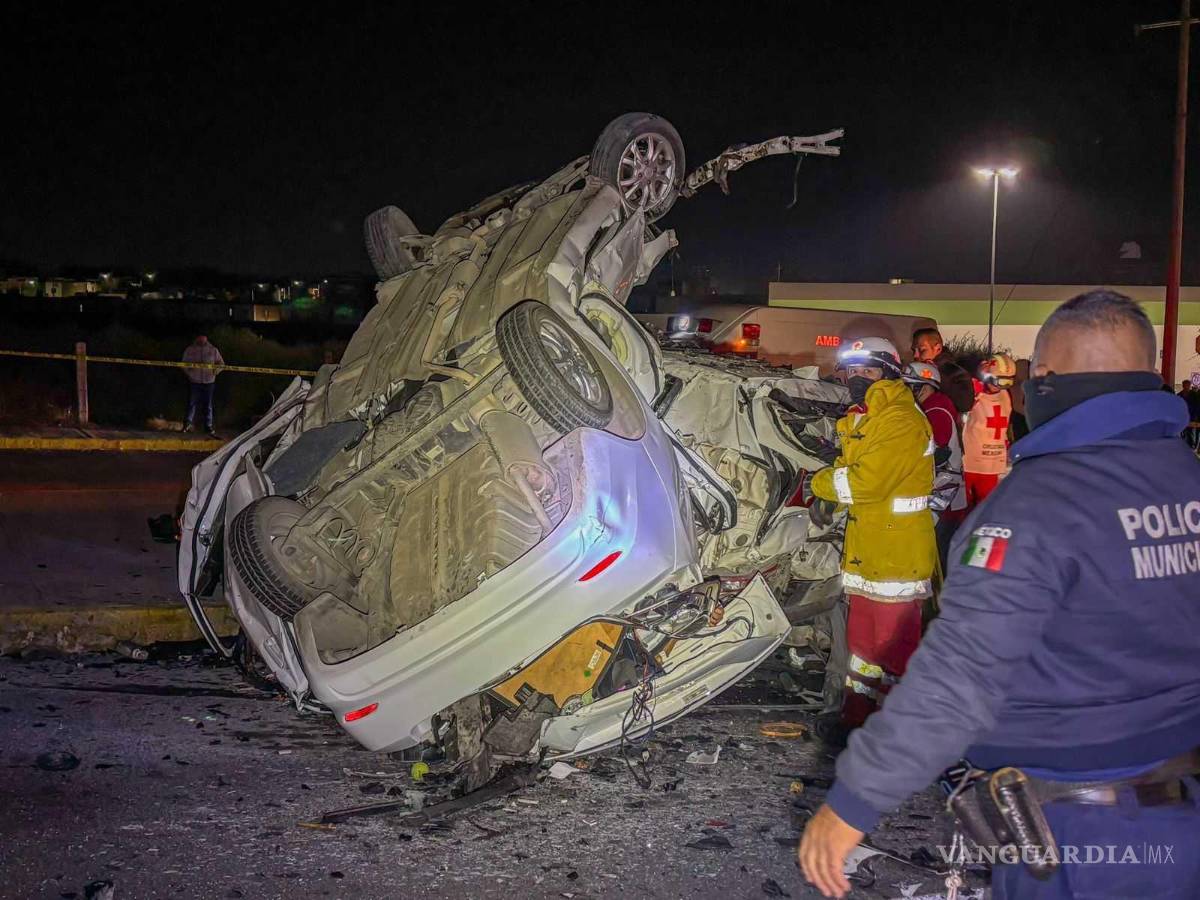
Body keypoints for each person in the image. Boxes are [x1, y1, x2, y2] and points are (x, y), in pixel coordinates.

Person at [799, 290, 1200, 899]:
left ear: (1046, 380)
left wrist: (854, 800)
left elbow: (961, 674)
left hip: (1077, 839)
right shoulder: (1184, 480)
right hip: (1178, 818)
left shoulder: (1039, 505)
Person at [803, 337, 936, 743]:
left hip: (897, 556)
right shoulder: (864, 417)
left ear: (890, 373)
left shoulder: (899, 419)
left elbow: (866, 482)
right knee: (863, 650)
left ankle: (897, 731)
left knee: (894, 650)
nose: (857, 378)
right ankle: (858, 718)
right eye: (852, 371)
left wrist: (816, 483)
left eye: (868, 371)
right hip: (868, 554)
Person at [902, 362, 966, 574]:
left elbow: (933, 451)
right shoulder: (932, 406)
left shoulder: (936, 408)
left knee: (937, 554)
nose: (907, 391)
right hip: (941, 490)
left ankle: (939, 602)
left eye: (912, 386)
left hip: (943, 492)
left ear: (927, 386)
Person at [961, 352, 1015, 507]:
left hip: (993, 467)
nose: (1000, 387)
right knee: (963, 512)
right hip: (969, 464)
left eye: (1006, 383)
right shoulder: (972, 389)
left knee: (985, 512)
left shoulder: (1005, 395)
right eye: (998, 381)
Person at [912, 327, 974, 415]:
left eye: (922, 350)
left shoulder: (957, 373)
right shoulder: (913, 371)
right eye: (914, 350)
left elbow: (965, 404)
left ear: (938, 348)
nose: (915, 355)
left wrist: (936, 375)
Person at [182, 334, 223, 435]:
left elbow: (221, 363)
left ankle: (208, 426)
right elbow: (183, 364)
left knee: (208, 405)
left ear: (206, 338)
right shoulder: (190, 350)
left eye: (203, 338)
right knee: (192, 403)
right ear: (197, 338)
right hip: (194, 381)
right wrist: (189, 374)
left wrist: (215, 371)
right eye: (199, 337)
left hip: (209, 381)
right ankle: (188, 424)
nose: (201, 340)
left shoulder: (213, 350)